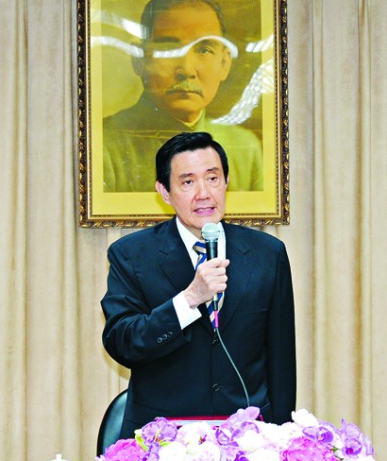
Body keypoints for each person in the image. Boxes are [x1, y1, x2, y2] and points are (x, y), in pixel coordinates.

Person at [101, 131, 295, 439]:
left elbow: (281, 359)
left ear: (226, 182)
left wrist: (283, 439)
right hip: (162, 439)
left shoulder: (267, 254)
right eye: (188, 182)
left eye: (213, 178)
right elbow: (123, 342)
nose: (203, 193)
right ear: (164, 192)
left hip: (248, 440)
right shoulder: (132, 255)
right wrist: (189, 299)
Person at [102, 0, 263, 193]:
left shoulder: (245, 150)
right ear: (139, 59)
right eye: (168, 49)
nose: (186, 70)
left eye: (204, 50)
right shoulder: (102, 148)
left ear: (224, 64)